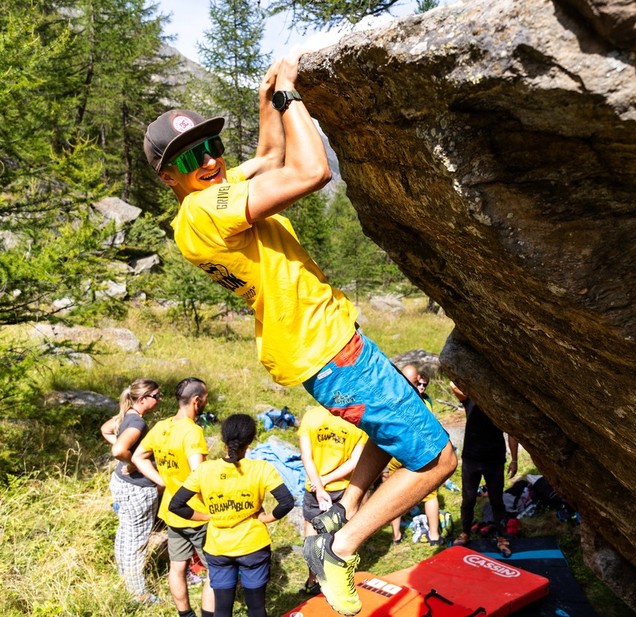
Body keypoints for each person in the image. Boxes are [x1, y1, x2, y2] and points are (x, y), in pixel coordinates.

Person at [143, 54, 457, 616]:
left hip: (320, 343)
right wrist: (290, 95)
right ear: (169, 177)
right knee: (437, 462)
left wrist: (266, 101)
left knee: (397, 419)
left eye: (212, 146)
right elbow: (312, 172)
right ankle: (340, 547)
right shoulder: (204, 210)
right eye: (191, 157)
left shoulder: (207, 198)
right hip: (331, 351)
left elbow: (268, 157)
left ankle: (344, 505)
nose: (212, 159)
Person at [169, 413, 295, 617]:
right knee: (256, 608)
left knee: (222, 609)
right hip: (254, 546)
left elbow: (176, 505)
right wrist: (267, 518)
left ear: (223, 439)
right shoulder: (261, 468)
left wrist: (207, 516)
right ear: (251, 440)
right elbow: (287, 501)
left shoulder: (204, 471)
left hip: (218, 548)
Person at [133, 377, 214, 617]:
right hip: (197, 513)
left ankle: (185, 615)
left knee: (177, 567)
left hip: (171, 509)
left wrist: (164, 481)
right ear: (197, 400)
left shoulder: (161, 427)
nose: (207, 401)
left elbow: (138, 456)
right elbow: (199, 475)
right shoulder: (193, 432)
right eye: (206, 397)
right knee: (214, 571)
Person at [99, 378, 162, 604]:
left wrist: (128, 455)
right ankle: (139, 594)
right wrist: (133, 461)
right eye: (156, 396)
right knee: (136, 541)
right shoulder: (138, 424)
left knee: (125, 536)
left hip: (121, 485)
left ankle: (126, 582)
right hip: (137, 489)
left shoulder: (127, 415)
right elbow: (118, 449)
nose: (160, 399)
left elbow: (106, 430)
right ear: (143, 398)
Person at [298, 404, 367, 595]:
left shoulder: (311, 416)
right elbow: (356, 461)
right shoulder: (357, 421)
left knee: (312, 537)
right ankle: (339, 582)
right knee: (341, 537)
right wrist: (327, 480)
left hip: (313, 488)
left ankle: (313, 581)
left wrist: (319, 485)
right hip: (343, 489)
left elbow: (306, 456)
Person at [449, 382, 518, 558]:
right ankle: (465, 533)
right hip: (472, 458)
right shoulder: (470, 399)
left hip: (494, 460)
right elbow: (452, 385)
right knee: (468, 499)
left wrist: (515, 460)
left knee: (497, 501)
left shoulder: (501, 407)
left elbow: (513, 434)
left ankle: (502, 537)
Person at [385, 365, 442, 546]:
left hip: (396, 452)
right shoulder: (424, 403)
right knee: (430, 493)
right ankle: (433, 535)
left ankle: (396, 536)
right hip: (416, 453)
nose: (422, 387)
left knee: (394, 494)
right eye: (420, 383)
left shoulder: (390, 397)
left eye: (424, 384)